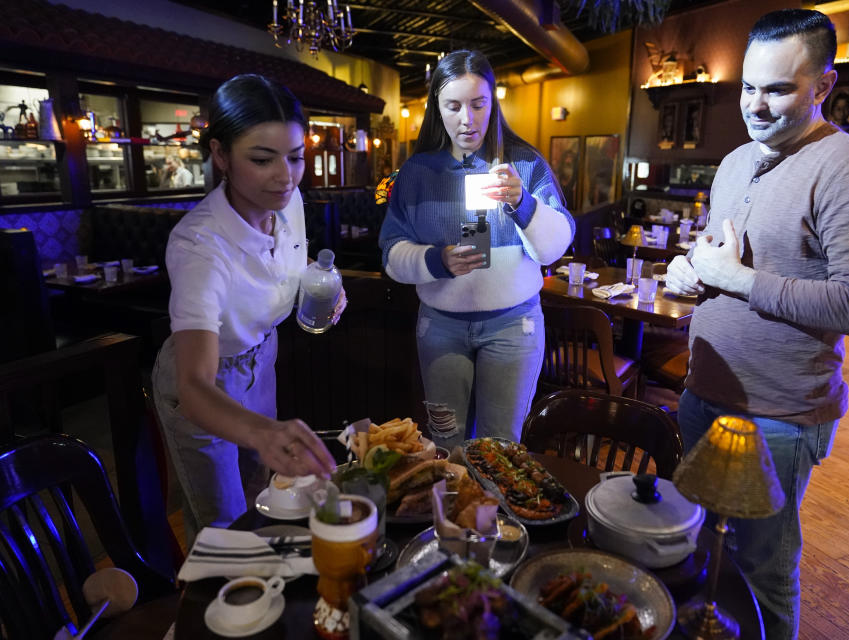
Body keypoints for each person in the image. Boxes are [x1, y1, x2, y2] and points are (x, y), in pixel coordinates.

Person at [665, 10, 849, 639]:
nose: (756, 104)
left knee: (759, 570)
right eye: (748, 87)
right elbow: (725, 253)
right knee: (700, 554)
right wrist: (691, 271)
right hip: (702, 395)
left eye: (777, 89)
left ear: (823, 86)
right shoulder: (736, 162)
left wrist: (738, 279)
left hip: (775, 416)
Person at [152, 74, 345, 546]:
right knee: (225, 527)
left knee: (264, 500)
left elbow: (277, 273)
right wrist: (264, 433)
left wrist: (320, 293)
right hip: (205, 380)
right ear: (220, 155)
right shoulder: (200, 245)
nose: (286, 176)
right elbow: (194, 386)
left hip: (263, 359)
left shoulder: (289, 199)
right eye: (262, 160)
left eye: (297, 157)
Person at [379, 50, 574, 446]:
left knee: (499, 447)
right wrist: (437, 260)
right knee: (445, 442)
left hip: (513, 326)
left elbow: (553, 248)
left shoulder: (526, 164)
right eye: (453, 106)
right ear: (437, 107)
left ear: (493, 103)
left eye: (478, 104)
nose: (466, 119)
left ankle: (495, 512)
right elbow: (391, 253)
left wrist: (523, 203)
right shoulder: (416, 173)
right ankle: (454, 510)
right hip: (441, 326)